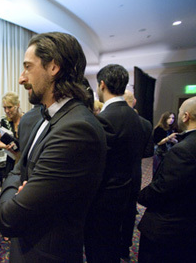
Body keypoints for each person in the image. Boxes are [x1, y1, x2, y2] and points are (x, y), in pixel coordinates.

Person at [0, 32, 107, 262]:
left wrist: (13, 187)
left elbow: (9, 219)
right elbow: (20, 168)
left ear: (53, 67)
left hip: (46, 253)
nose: (21, 78)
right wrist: (20, 182)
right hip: (29, 244)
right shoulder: (45, 117)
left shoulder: (76, 129)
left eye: (28, 67)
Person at [84, 64, 145, 263]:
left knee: (99, 248)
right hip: (126, 192)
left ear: (102, 85)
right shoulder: (136, 118)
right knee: (112, 245)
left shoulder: (106, 119)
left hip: (104, 198)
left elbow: (94, 163)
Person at [137, 96, 196, 263]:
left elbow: (162, 189)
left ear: (185, 116)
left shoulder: (183, 151)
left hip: (170, 229)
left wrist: (140, 195)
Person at [119, 90, 154, 260]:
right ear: (134, 102)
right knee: (130, 210)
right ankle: (125, 246)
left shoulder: (112, 120)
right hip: (135, 172)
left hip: (114, 172)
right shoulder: (146, 124)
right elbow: (148, 152)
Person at [0, 92, 23, 179]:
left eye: (9, 107)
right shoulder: (4, 122)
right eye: (4, 108)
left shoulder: (26, 120)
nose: (7, 111)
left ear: (18, 105)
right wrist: (5, 146)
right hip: (10, 161)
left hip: (23, 162)